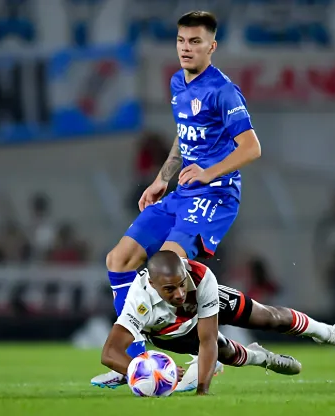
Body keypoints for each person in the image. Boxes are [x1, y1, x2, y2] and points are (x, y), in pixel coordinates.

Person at [93, 10, 262, 388]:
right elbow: (184, 136)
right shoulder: (177, 83)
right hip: (182, 192)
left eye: (195, 42)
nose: (186, 48)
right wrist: (161, 179)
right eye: (182, 41)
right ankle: (141, 359)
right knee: (119, 259)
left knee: (168, 270)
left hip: (214, 194)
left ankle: (207, 355)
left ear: (212, 46)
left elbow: (251, 148)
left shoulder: (223, 91)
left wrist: (208, 171)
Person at [99, 251, 335, 395]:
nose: (179, 293)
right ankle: (262, 358)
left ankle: (328, 333)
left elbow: (207, 340)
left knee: (269, 317)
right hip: (169, 332)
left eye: (182, 285)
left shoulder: (200, 276)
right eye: (170, 289)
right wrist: (143, 370)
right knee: (225, 351)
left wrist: (202, 392)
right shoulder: (137, 299)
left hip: (206, 306)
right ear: (152, 284)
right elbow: (110, 353)